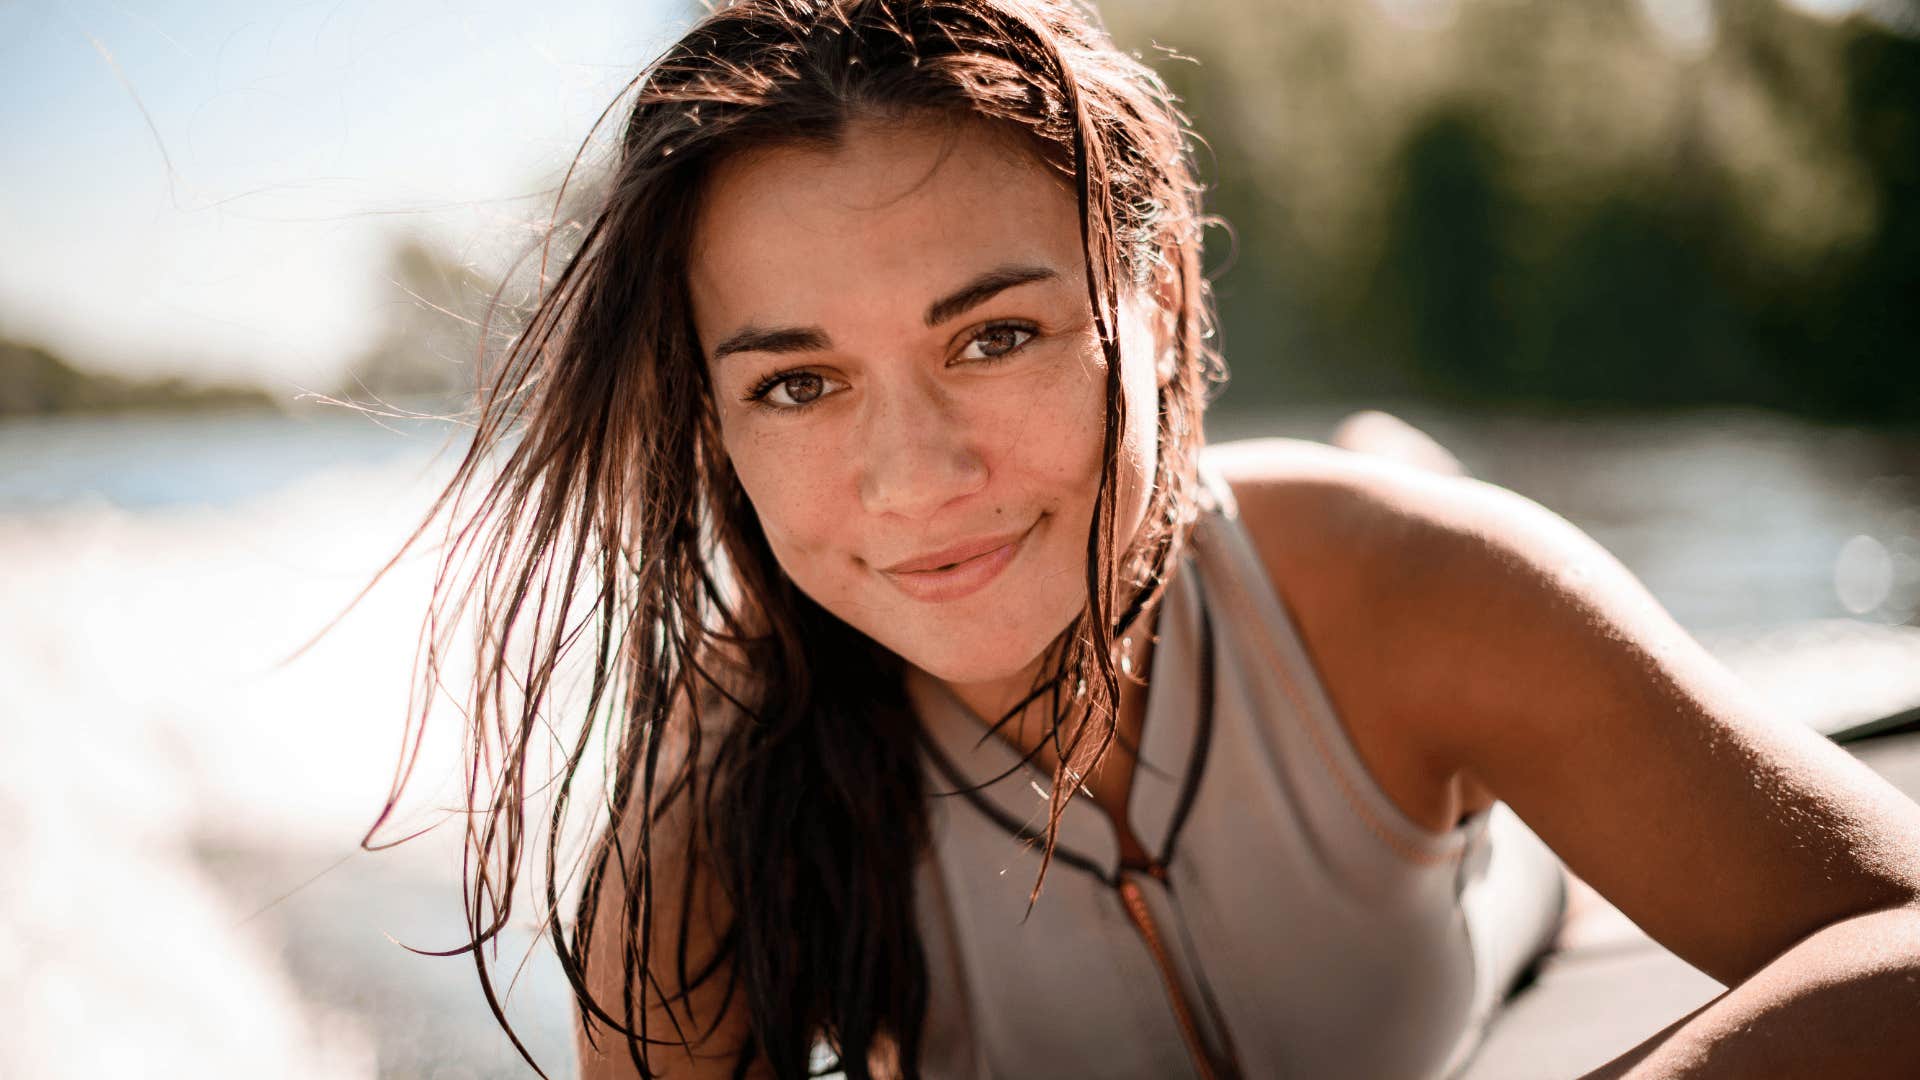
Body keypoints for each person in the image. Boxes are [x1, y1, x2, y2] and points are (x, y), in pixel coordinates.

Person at [385, 1, 1920, 1077]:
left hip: (1468, 864)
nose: (914, 479)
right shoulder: (700, 825)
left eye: (994, 338)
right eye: (800, 382)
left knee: (1390, 517)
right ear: (716, 426)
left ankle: (1384, 459)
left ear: (1162, 309)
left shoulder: (1419, 590)